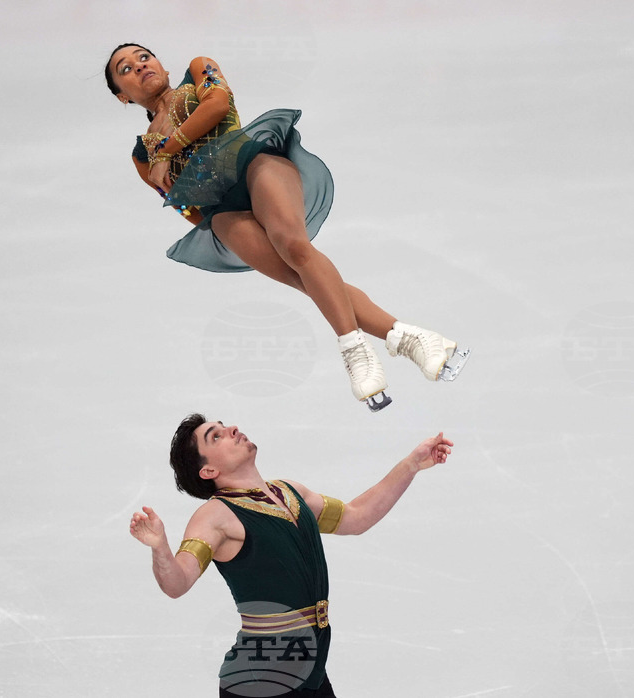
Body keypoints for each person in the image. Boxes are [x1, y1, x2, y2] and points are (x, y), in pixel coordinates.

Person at [105, 44, 470, 412]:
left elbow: (217, 103)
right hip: (224, 213)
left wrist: (168, 151)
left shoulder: (198, 69)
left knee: (295, 247)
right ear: (123, 95)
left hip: (254, 165)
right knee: (305, 281)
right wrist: (215, 225)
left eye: (143, 57)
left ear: (161, 64)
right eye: (125, 69)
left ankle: (355, 350)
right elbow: (180, 202)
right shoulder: (142, 156)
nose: (139, 65)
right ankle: (412, 339)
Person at [129, 413, 454, 696]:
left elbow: (357, 517)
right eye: (216, 436)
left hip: (308, 675)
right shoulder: (215, 516)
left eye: (224, 425)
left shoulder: (291, 493)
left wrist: (411, 464)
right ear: (208, 471)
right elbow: (178, 582)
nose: (231, 429)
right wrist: (160, 547)